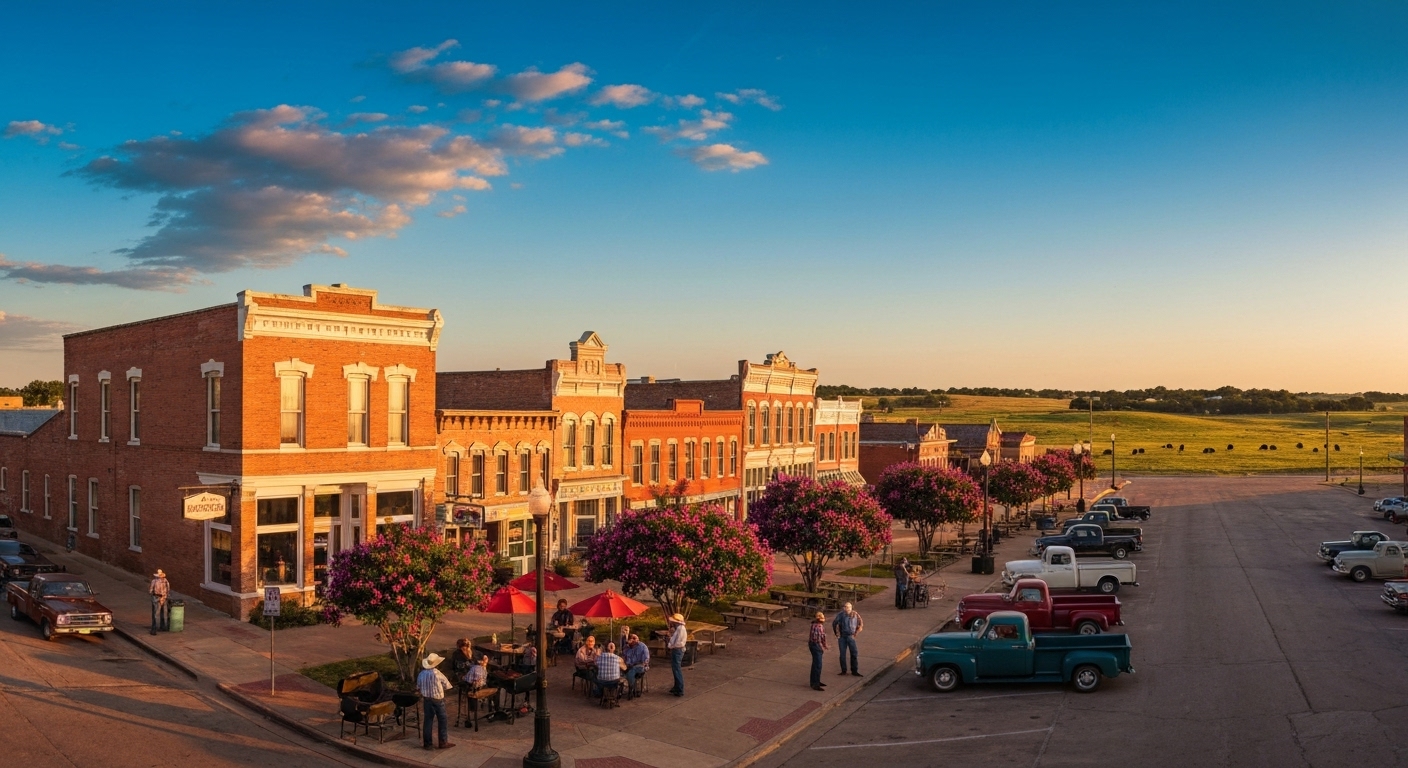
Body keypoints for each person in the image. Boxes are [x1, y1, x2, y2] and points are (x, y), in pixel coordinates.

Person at [416, 653, 455, 751]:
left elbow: (418, 687)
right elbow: (447, 685)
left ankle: (427, 744)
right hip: (437, 699)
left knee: (428, 720)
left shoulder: (421, 674)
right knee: (442, 719)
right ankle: (443, 741)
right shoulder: (437, 673)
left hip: (426, 699)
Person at [832, 602, 863, 677]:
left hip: (851, 636)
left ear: (851, 608)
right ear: (844, 608)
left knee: (854, 653)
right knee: (842, 654)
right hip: (842, 637)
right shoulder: (840, 615)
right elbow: (834, 623)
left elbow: (861, 623)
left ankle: (854, 670)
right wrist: (837, 634)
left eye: (849, 607)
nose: (848, 609)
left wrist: (856, 633)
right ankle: (843, 670)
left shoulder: (855, 614)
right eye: (846, 607)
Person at [666, 613, 688, 697]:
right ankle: (677, 687)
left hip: (677, 650)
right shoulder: (679, 628)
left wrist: (671, 646)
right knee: (675, 669)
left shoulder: (681, 629)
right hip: (677, 649)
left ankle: (679, 689)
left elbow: (680, 643)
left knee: (677, 669)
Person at [808, 612, 829, 691]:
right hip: (816, 646)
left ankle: (815, 681)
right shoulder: (819, 627)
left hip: (812, 645)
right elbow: (820, 639)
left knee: (815, 664)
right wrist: (823, 647)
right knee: (818, 665)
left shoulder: (813, 624)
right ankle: (815, 684)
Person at [149, 569, 170, 635]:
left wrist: (153, 595)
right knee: (162, 613)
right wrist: (165, 596)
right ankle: (162, 626)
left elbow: (150, 590)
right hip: (163, 598)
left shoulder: (154, 581)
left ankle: (154, 629)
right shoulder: (165, 581)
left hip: (157, 598)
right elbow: (168, 590)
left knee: (156, 614)